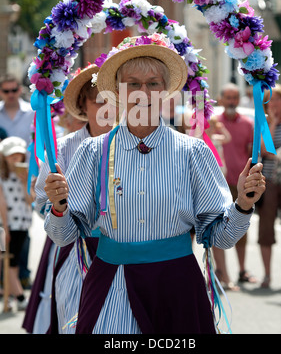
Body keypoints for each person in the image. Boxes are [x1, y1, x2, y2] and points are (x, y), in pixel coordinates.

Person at [43, 34, 265, 334]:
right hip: (112, 285)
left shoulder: (193, 152)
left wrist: (244, 203)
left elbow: (220, 237)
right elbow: (65, 234)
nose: (142, 92)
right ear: (118, 92)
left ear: (165, 91)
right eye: (132, 83)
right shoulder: (93, 152)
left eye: (152, 83)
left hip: (177, 287)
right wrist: (59, 207)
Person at [23, 64, 117, 334]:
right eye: (99, 101)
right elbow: (42, 202)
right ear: (82, 106)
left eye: (112, 100)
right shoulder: (63, 148)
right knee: (78, 319)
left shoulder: (133, 145)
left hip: (125, 254)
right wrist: (57, 204)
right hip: (78, 252)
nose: (107, 109)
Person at [214, 83, 256, 287]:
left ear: (239, 100)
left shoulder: (248, 124)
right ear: (221, 99)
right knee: (216, 227)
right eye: (228, 97)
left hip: (240, 184)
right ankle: (222, 274)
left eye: (234, 97)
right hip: (217, 183)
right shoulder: (213, 122)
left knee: (241, 229)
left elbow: (252, 154)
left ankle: (242, 270)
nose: (231, 101)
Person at [0, 74, 35, 290]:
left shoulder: (31, 112)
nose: (11, 95)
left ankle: (22, 274)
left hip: (25, 175)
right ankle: (7, 280)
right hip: (2, 176)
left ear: (20, 90)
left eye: (14, 90)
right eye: (6, 91)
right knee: (5, 233)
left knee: (23, 231)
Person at [259, 84, 281, 288]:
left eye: (278, 99)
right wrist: (271, 125)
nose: (274, 104)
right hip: (268, 181)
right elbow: (265, 151)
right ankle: (267, 275)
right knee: (266, 228)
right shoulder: (264, 124)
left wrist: (276, 154)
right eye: (270, 100)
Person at [0, 136, 34, 310]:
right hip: (6, 226)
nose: (16, 159)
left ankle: (12, 296)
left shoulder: (25, 176)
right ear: (4, 157)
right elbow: (2, 204)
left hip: (22, 224)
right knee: (8, 261)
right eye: (12, 156)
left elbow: (31, 201)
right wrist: (4, 228)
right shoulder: (1, 177)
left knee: (13, 262)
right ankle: (20, 297)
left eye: (19, 156)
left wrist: (25, 183)